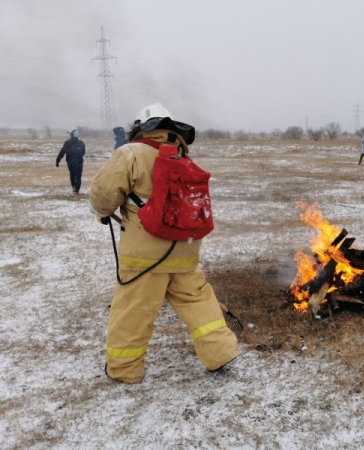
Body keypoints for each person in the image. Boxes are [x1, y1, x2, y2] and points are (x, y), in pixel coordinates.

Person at [89, 103, 239, 383]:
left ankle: (123, 370)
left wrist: (102, 213)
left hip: (144, 258)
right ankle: (220, 352)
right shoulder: (183, 156)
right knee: (197, 300)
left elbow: (103, 197)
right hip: (186, 249)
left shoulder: (130, 154)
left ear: (141, 128)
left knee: (133, 311)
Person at [56, 129, 86, 195]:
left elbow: (62, 152)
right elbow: (83, 152)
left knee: (72, 174)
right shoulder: (81, 143)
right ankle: (77, 190)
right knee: (78, 176)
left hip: (70, 161)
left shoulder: (67, 143)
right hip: (79, 161)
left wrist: (58, 160)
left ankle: (73, 186)